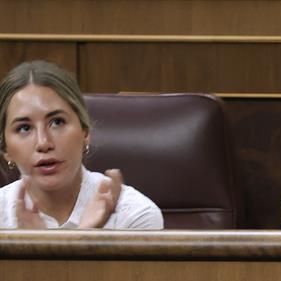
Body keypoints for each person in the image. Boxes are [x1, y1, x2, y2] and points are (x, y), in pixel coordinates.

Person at [0, 60, 163, 229]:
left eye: (57, 122)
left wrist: (85, 237)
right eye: (24, 128)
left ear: (85, 131)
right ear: (5, 149)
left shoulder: (135, 215)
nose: (43, 143)